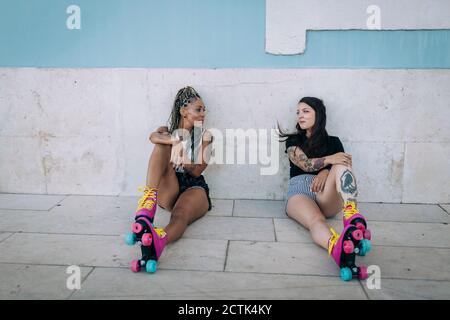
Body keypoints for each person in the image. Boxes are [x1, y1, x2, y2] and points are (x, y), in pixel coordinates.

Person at [279, 97, 372, 281]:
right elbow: (304, 164)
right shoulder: (292, 140)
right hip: (300, 190)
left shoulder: (334, 142)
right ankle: (337, 246)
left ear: (318, 114)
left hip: (325, 193)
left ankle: (351, 212)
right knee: (316, 221)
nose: (300, 116)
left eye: (306, 111)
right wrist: (328, 162)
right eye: (298, 112)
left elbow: (344, 165)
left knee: (342, 165)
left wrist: (325, 173)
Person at [125, 86, 213, 273]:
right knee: (161, 144)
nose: (203, 113)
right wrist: (174, 141)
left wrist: (185, 160)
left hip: (194, 188)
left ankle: (159, 239)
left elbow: (197, 171)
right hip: (170, 188)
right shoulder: (167, 131)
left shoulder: (205, 136)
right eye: (198, 109)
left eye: (204, 109)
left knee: (180, 215)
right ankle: (148, 204)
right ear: (183, 111)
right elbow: (153, 136)